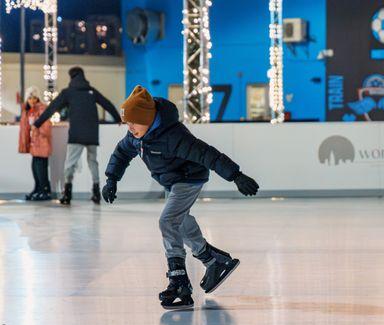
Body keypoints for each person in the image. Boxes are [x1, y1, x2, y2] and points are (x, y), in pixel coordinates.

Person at [102, 86, 259, 310]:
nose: (129, 128)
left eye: (133, 123)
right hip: (171, 181)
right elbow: (121, 153)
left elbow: (207, 154)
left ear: (147, 118)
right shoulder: (137, 136)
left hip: (188, 179)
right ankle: (213, 261)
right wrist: (112, 179)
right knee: (182, 222)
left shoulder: (174, 136)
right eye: (127, 124)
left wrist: (236, 175)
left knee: (168, 221)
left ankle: (178, 280)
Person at [34, 66, 121, 205]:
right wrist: (118, 119)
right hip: (92, 133)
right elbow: (107, 104)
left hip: (76, 134)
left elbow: (52, 108)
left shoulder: (68, 92)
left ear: (71, 77)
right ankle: (96, 193)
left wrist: (37, 123)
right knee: (93, 161)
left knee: (70, 163)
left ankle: (67, 194)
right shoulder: (91, 91)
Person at [18, 86, 53, 201]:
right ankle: (38, 189)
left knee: (41, 168)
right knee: (35, 167)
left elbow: (46, 127)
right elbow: (25, 127)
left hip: (42, 143)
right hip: (34, 144)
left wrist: (36, 128)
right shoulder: (27, 111)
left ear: (37, 98)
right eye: (30, 98)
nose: (32, 100)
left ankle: (44, 191)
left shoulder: (42, 109)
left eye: (34, 98)